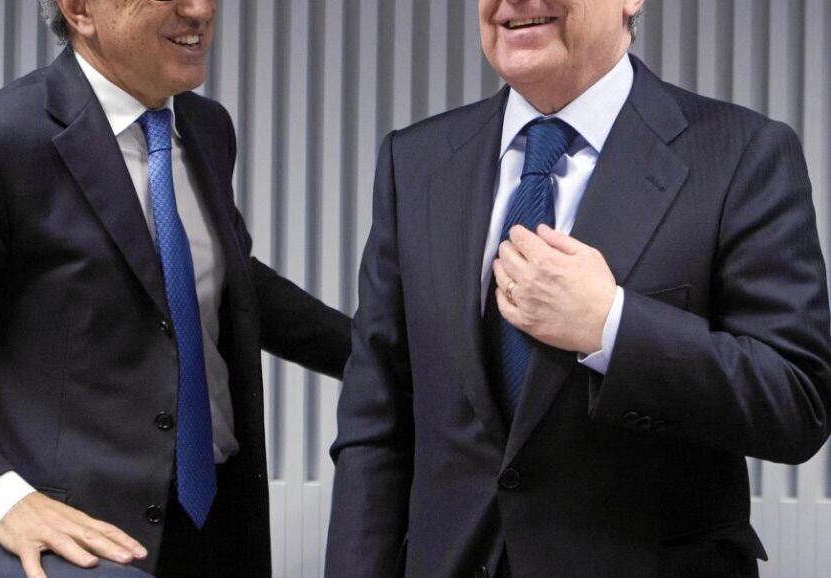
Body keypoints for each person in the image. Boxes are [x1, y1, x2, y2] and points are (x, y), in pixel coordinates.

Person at [0, 1, 350, 577]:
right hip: (79, 545)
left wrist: (384, 356)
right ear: (79, 10)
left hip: (219, 520)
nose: (200, 9)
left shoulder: (206, 128)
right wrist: (1, 499)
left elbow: (227, 281)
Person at [325, 0, 831, 576]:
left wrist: (610, 326)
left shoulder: (742, 154)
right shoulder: (414, 160)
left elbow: (796, 401)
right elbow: (376, 419)